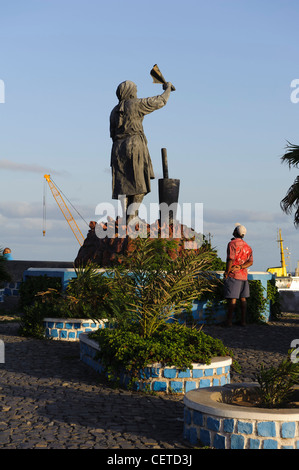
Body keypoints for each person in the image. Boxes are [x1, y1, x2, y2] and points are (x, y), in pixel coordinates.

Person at [110, 80, 173, 224]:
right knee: (139, 183)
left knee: (122, 185)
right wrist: (167, 89)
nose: (136, 93)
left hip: (117, 149)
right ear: (130, 92)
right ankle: (132, 216)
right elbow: (160, 101)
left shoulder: (113, 112)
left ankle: (127, 217)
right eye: (135, 90)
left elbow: (112, 134)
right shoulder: (135, 104)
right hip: (134, 145)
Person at [223, 224, 253, 326]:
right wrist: (241, 267)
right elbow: (250, 262)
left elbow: (230, 259)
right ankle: (243, 321)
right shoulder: (247, 246)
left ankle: (229, 321)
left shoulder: (232, 244)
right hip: (244, 275)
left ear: (236, 232)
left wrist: (227, 272)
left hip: (234, 275)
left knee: (233, 299)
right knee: (243, 299)